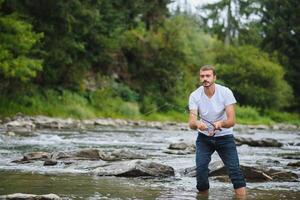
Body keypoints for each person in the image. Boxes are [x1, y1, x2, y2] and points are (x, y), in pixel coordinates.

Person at [188, 65, 246, 196]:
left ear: (214, 77)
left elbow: (232, 121)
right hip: (204, 139)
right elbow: (191, 123)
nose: (205, 79)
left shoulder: (225, 92)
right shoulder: (195, 95)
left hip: (225, 137)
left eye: (208, 76)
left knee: (235, 172)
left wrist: (222, 123)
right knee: (201, 173)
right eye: (202, 76)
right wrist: (198, 124)